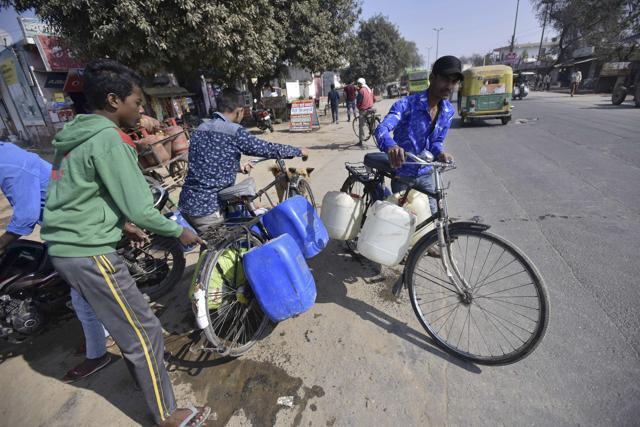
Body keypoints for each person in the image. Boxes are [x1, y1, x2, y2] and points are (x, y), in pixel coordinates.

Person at [41, 59, 210, 427]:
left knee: (126, 325)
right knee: (144, 329)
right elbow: (141, 205)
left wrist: (121, 227)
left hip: (65, 246)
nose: (142, 111)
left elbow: (80, 194)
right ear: (114, 100)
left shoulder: (77, 134)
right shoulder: (109, 140)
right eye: (137, 102)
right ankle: (167, 415)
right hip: (88, 251)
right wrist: (176, 230)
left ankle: (143, 377)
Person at [0, 142, 116, 383]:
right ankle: (103, 334)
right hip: (66, 222)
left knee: (82, 299)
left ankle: (99, 355)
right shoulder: (6, 153)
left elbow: (25, 216)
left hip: (75, 226)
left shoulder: (7, 165)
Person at [179, 88, 309, 234]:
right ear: (239, 111)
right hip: (208, 209)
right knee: (229, 250)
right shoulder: (234, 131)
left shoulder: (200, 129)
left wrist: (236, 166)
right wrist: (297, 151)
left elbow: (205, 162)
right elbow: (265, 148)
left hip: (186, 203)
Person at [374, 55, 459, 254]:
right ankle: (398, 252)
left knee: (433, 213)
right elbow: (382, 130)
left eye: (454, 81)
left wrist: (441, 154)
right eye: (445, 79)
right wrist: (392, 146)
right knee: (402, 219)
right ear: (433, 77)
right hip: (404, 170)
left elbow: (436, 142)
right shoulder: (406, 105)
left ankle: (427, 245)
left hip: (427, 171)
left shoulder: (447, 110)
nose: (449, 85)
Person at [356, 77, 375, 146]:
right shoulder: (369, 89)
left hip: (364, 110)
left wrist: (358, 107)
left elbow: (359, 101)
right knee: (370, 122)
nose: (358, 85)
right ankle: (372, 129)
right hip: (371, 108)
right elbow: (374, 99)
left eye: (358, 84)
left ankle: (361, 141)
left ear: (361, 84)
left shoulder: (361, 91)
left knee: (361, 125)